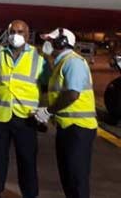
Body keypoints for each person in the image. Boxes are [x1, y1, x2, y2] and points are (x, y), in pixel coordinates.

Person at [0, 20, 49, 198]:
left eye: (20, 32)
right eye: (13, 31)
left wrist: (45, 113)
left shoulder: (38, 58)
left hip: (26, 117)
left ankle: (30, 194)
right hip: (0, 114)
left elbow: (48, 85)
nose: (16, 35)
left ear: (27, 35)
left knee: (27, 160)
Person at [34, 28, 97, 198]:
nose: (47, 43)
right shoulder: (62, 63)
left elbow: (72, 94)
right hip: (67, 128)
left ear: (61, 42)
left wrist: (48, 111)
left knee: (76, 179)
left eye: (50, 39)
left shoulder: (73, 62)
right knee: (68, 177)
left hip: (78, 129)